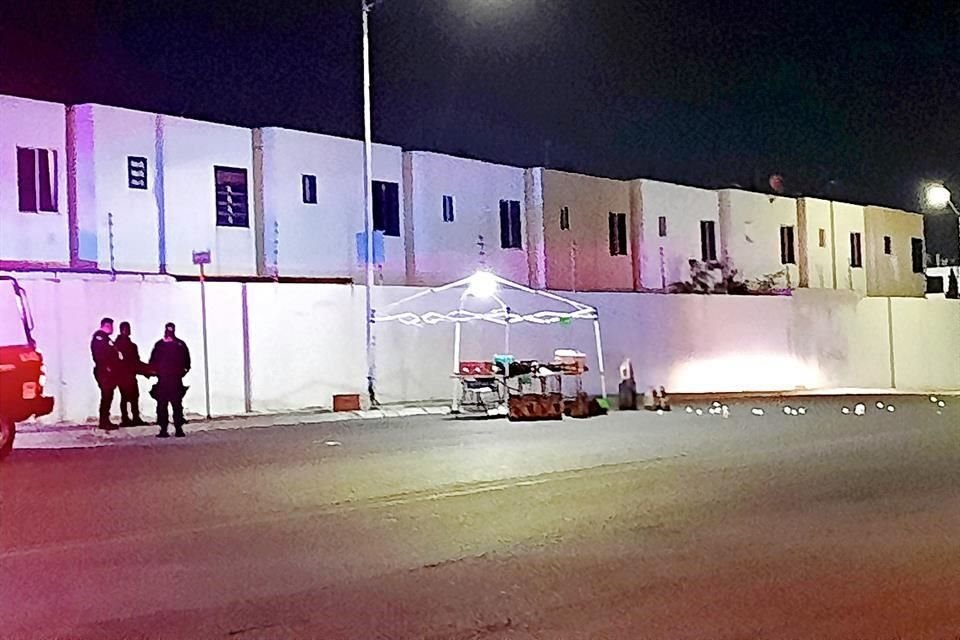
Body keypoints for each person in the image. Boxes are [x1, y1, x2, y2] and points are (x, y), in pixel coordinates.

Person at [149, 322, 191, 438]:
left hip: (174, 380)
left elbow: (187, 362)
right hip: (164, 380)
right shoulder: (161, 345)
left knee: (176, 405)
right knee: (163, 406)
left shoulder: (179, 345)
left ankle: (178, 428)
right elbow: (153, 362)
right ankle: (164, 429)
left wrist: (182, 372)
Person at [114, 321, 148, 427]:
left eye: (128, 329)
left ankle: (133, 418)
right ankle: (127, 418)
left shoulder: (129, 345)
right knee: (126, 397)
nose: (127, 331)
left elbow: (136, 361)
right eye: (125, 329)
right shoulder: (117, 346)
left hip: (129, 374)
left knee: (133, 397)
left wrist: (145, 370)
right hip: (123, 374)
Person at [90, 317, 119, 430]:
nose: (112, 329)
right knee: (106, 396)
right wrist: (107, 367)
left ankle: (106, 420)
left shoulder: (106, 338)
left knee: (108, 396)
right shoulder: (100, 338)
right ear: (106, 326)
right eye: (111, 326)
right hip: (104, 372)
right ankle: (104, 421)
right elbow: (100, 355)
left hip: (108, 372)